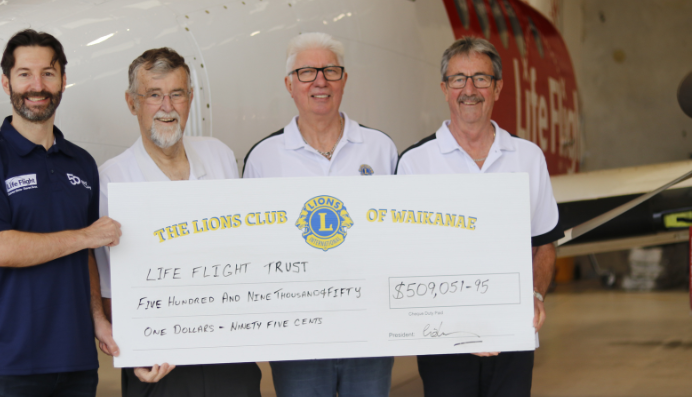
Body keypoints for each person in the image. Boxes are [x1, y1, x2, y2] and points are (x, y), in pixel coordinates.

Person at [396, 37, 564, 396]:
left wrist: (535, 294)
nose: (469, 89)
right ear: (444, 89)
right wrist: (457, 322)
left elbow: (544, 244)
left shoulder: (528, 157)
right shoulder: (414, 164)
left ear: (498, 87)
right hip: (442, 338)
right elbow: (406, 261)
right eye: (458, 79)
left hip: (513, 333)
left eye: (481, 79)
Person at [90, 47, 262, 397]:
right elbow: (110, 285)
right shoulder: (112, 179)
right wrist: (134, 350)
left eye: (177, 94)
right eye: (153, 95)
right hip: (159, 362)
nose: (167, 106)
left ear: (191, 98)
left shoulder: (220, 156)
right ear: (131, 102)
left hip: (230, 353)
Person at [0, 29, 122, 396]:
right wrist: (86, 235)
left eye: (48, 73)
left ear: (63, 81)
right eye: (24, 74)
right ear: (6, 83)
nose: (37, 85)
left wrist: (98, 321)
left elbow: (87, 258)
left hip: (76, 358)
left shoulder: (81, 163)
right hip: (11, 362)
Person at [243, 32, 398, 397]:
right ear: (289, 84)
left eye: (330, 70)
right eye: (307, 72)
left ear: (344, 80)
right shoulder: (264, 158)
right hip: (298, 337)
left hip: (369, 332)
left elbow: (397, 237)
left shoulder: (380, 149)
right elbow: (252, 248)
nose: (320, 81)